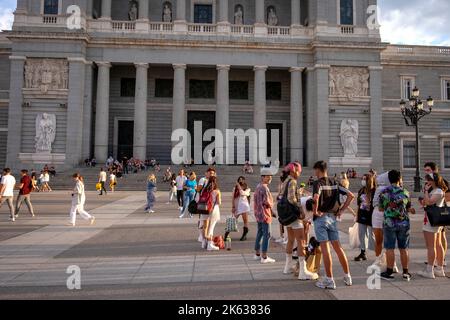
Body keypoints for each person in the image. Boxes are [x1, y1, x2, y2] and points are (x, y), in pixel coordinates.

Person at [312, 161, 354, 290]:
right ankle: (347, 276)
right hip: (333, 218)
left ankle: (329, 280)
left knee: (326, 249)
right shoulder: (335, 183)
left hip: (321, 218)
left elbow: (315, 198)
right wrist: (341, 210)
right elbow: (350, 195)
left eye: (315, 171)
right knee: (338, 247)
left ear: (318, 170)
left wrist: (314, 211)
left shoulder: (318, 183)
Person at [281, 163, 319, 280]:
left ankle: (287, 267)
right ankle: (303, 271)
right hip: (294, 216)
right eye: (298, 171)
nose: (299, 173)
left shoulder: (285, 181)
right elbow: (292, 199)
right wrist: (300, 210)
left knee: (291, 240)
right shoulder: (292, 181)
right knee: (301, 241)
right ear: (293, 171)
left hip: (287, 216)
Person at [378, 170, 413, 281]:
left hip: (389, 223)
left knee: (390, 248)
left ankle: (389, 271)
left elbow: (380, 208)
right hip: (404, 223)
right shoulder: (406, 192)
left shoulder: (384, 192)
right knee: (404, 248)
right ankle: (406, 272)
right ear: (400, 179)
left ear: (389, 179)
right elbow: (408, 208)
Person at [418, 173, 448, 278]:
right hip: (433, 220)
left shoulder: (438, 191)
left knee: (431, 246)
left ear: (435, 180)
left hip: (432, 222)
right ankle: (439, 269)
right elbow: (427, 202)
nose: (427, 182)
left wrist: (426, 191)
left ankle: (430, 270)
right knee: (437, 245)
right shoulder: (436, 190)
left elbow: (430, 202)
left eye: (429, 180)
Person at [424, 162, 449, 267]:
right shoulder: (431, 186)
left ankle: (440, 261)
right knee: (436, 243)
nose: (426, 172)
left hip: (438, 215)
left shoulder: (441, 183)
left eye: (428, 170)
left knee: (438, 241)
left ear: (434, 170)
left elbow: (445, 197)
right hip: (433, 214)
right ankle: (437, 262)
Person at [253, 168, 276, 264]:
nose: (270, 178)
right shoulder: (265, 188)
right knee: (267, 234)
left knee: (260, 233)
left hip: (258, 213)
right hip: (265, 214)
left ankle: (257, 253)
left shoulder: (258, 186)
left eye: (270, 176)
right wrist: (272, 210)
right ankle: (264, 256)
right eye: (267, 176)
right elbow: (267, 202)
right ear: (262, 177)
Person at [371, 172, 392, 271]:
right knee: (387, 241)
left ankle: (379, 259)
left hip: (379, 214)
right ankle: (389, 262)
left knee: (379, 240)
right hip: (385, 214)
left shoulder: (384, 189)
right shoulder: (384, 189)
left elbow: (375, 203)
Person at [354, 174, 376, 261]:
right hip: (362, 215)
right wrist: (356, 215)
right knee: (361, 235)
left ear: (369, 181)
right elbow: (358, 204)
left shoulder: (374, 191)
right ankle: (363, 252)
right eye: (362, 179)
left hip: (371, 216)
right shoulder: (361, 190)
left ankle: (378, 252)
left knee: (372, 235)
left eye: (364, 179)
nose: (362, 181)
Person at [198, 168, 216, 247]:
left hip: (209, 205)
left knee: (206, 223)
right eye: (210, 173)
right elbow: (198, 189)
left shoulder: (213, 182)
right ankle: (205, 239)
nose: (211, 174)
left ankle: (204, 241)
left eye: (213, 173)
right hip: (204, 203)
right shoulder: (203, 180)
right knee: (205, 224)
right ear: (206, 173)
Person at [230, 176, 251, 241]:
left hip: (244, 207)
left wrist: (238, 185)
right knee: (232, 221)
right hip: (237, 207)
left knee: (245, 221)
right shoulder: (235, 189)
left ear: (244, 181)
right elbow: (233, 198)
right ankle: (226, 234)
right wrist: (233, 206)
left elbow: (242, 193)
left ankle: (244, 235)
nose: (240, 181)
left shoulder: (247, 189)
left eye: (242, 180)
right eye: (239, 180)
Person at [205, 176, 221, 251]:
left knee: (208, 226)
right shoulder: (217, 191)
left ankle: (207, 243)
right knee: (211, 227)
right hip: (214, 209)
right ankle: (209, 244)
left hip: (206, 209)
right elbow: (219, 202)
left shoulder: (206, 189)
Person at [275, 170, 289, 245]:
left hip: (285, 204)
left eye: (281, 174)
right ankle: (282, 236)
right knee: (280, 221)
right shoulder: (281, 183)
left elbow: (284, 193)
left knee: (286, 221)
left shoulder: (287, 182)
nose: (280, 175)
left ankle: (287, 237)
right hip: (280, 203)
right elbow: (279, 192)